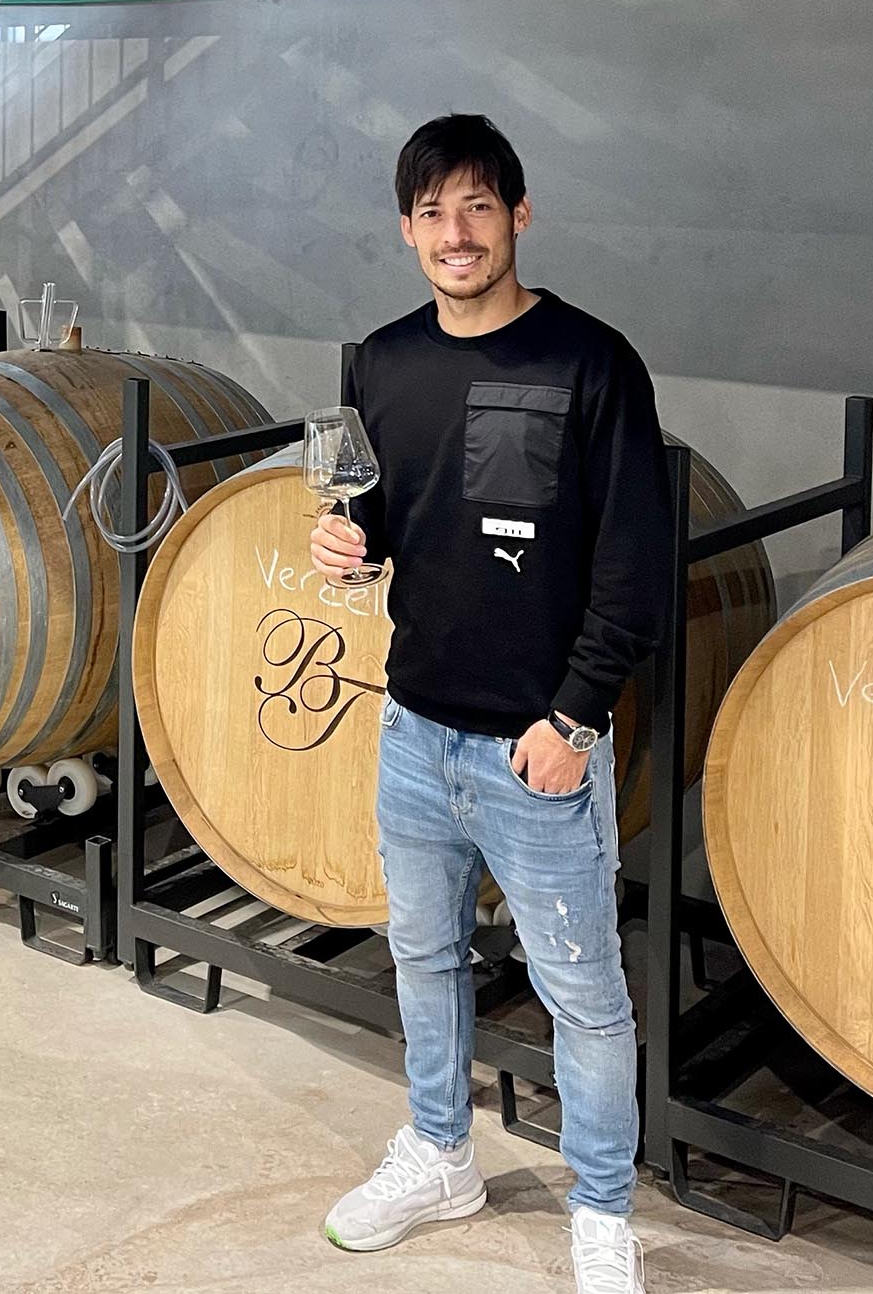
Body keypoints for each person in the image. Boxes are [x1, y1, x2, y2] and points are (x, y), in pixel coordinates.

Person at [310, 113, 672, 1293]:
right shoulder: (379, 358)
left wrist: (571, 721)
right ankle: (440, 1149)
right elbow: (375, 514)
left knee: (584, 995)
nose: (453, 234)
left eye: (477, 207)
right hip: (413, 723)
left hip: (538, 747)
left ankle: (604, 1207)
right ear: (405, 228)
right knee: (422, 957)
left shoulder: (591, 360)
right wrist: (344, 542)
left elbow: (633, 563)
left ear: (520, 215)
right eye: (429, 212)